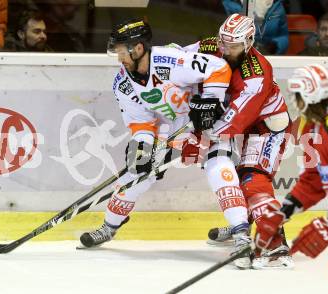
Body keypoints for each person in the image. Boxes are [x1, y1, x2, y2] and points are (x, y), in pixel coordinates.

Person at [79, 18, 253, 269]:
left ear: (138, 49)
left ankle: (241, 235)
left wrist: (210, 102)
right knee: (136, 174)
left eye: (121, 52)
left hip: (205, 122)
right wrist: (142, 146)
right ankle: (109, 227)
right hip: (171, 127)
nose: (119, 59)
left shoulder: (170, 60)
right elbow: (141, 123)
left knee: (220, 167)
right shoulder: (123, 84)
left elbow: (218, 68)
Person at [182, 13, 293, 269]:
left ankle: (275, 244)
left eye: (232, 46)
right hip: (240, 124)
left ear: (248, 43)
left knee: (252, 178)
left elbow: (233, 122)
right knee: (235, 173)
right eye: (223, 42)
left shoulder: (257, 73)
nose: (225, 49)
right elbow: (176, 57)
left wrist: (196, 136)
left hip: (266, 127)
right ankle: (242, 225)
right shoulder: (211, 46)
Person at [255, 64, 328, 293]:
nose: (294, 101)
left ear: (309, 97)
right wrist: (283, 214)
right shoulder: (317, 127)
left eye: (297, 96)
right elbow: (314, 180)